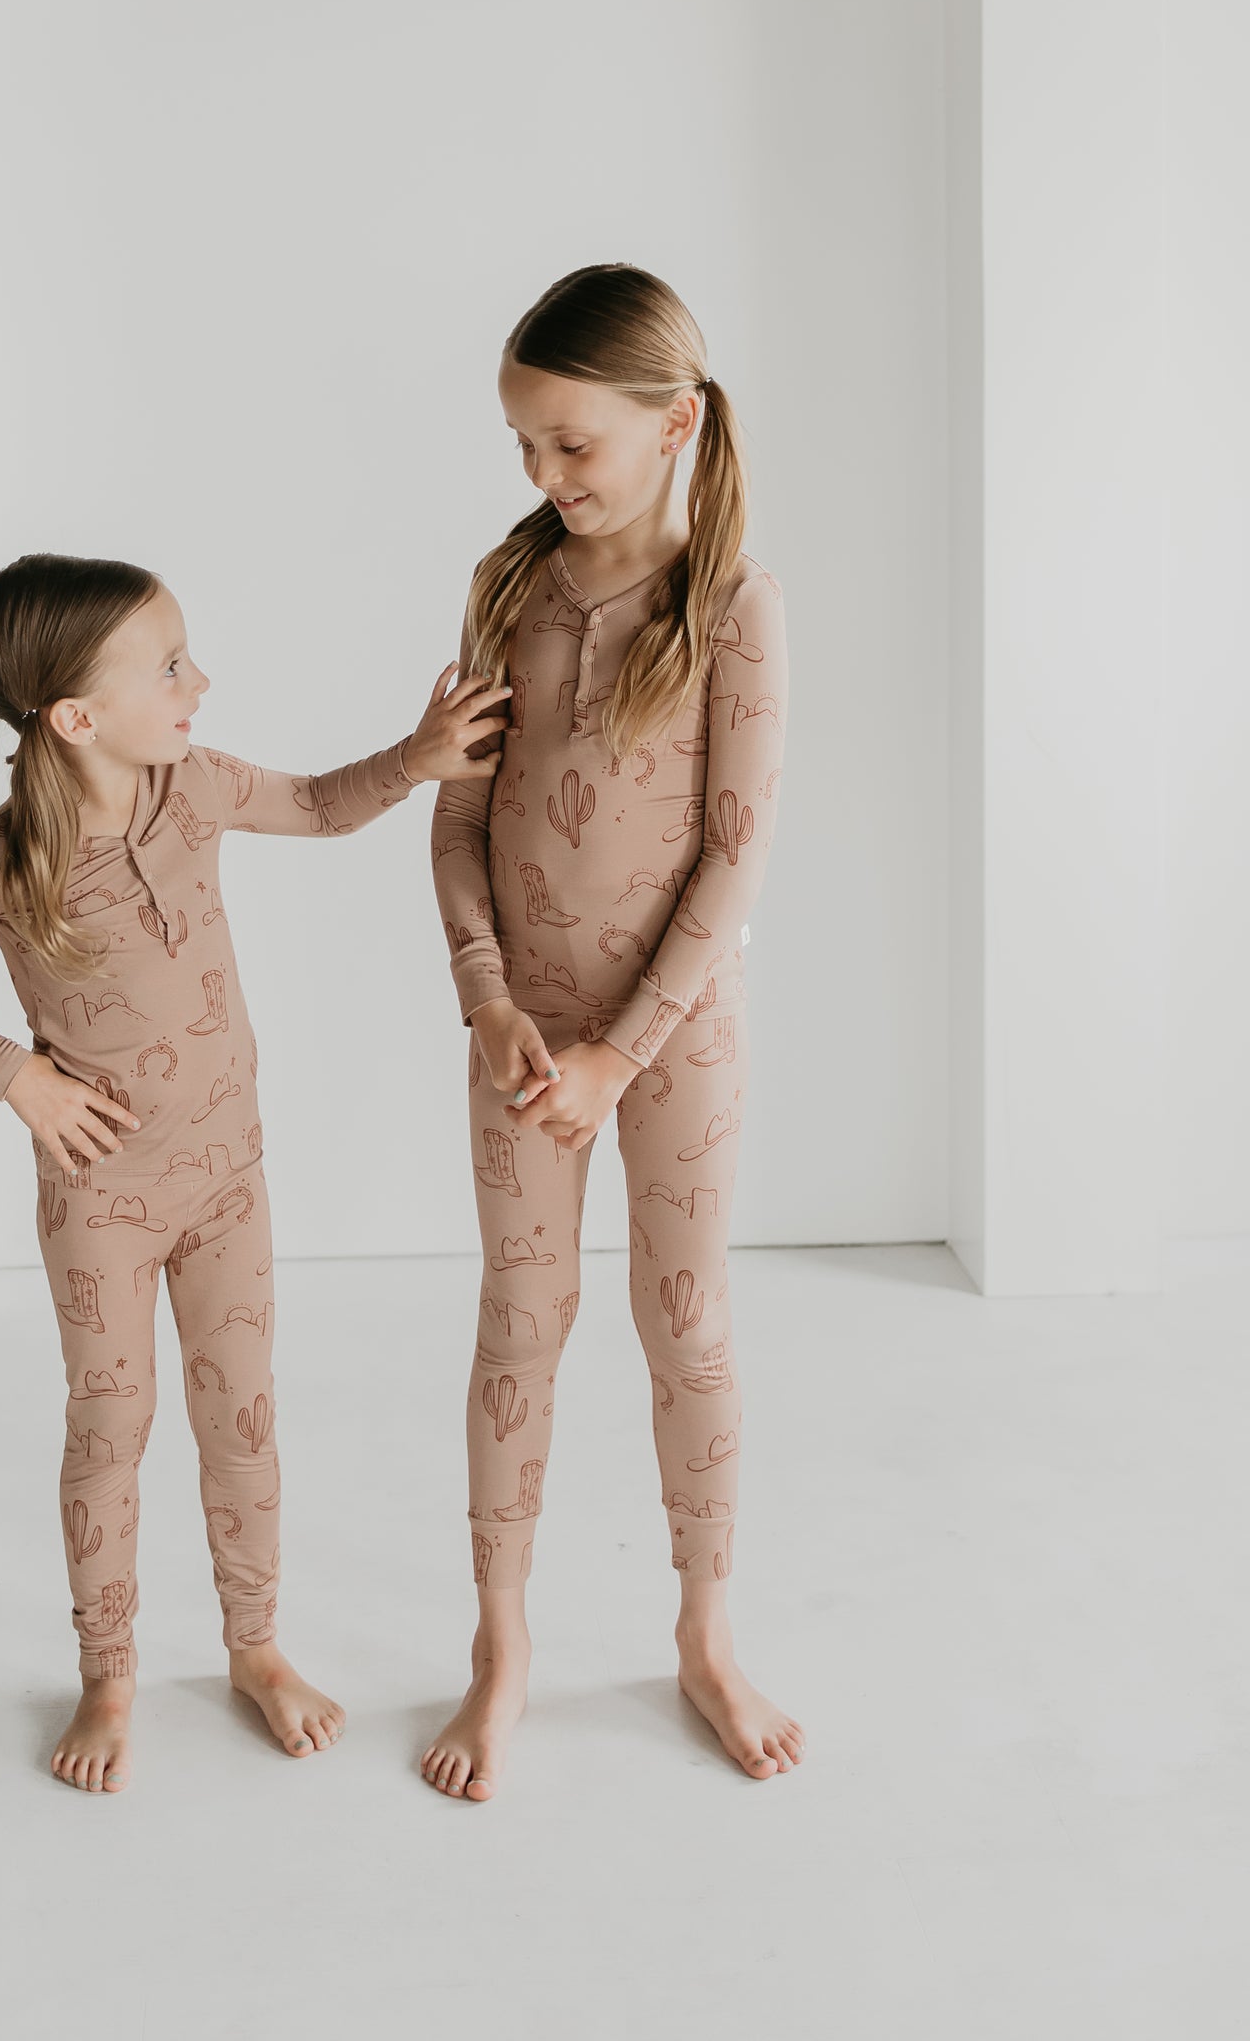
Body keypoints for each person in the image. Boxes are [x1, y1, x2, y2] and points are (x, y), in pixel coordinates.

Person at [0, 552, 505, 1795]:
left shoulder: (195, 785)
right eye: (170, 666)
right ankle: (107, 1674)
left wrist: (415, 756)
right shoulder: (3, 858)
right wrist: (18, 1078)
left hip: (227, 1179)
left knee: (242, 1420)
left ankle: (255, 1647)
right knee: (112, 1427)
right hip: (103, 1200)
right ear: (75, 716)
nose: (198, 680)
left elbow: (320, 806)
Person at [420, 263, 803, 1797]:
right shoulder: (506, 586)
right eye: (522, 444)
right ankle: (499, 1642)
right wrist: (493, 1001)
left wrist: (617, 1053)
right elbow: (457, 821)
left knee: (683, 1315)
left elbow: (732, 854)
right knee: (522, 1314)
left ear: (674, 422)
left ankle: (704, 1627)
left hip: (672, 1037)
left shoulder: (735, 606)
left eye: (571, 443)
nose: (542, 475)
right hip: (519, 1030)